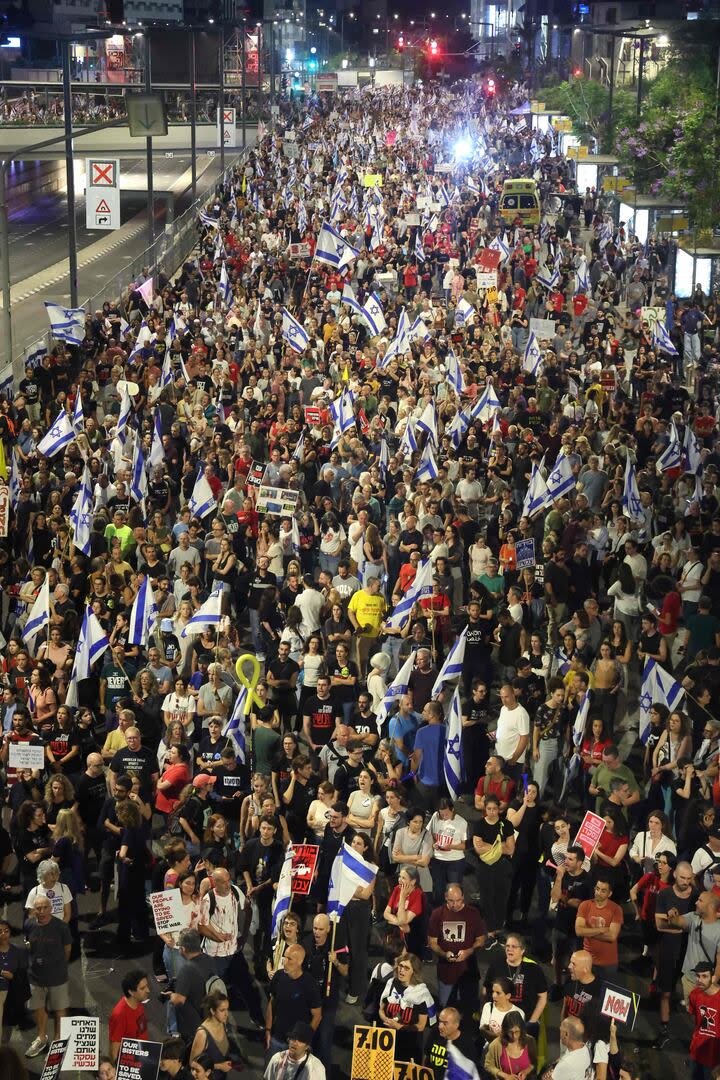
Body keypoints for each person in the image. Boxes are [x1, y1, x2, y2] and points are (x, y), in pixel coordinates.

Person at [23, 895, 72, 1058]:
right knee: (38, 1007)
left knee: (59, 1009)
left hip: (57, 976)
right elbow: (29, 944)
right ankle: (42, 1037)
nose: (42, 911)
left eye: (45, 908)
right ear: (33, 910)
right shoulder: (29, 924)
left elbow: (67, 949)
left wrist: (59, 965)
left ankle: (58, 1040)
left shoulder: (61, 927)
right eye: (38, 908)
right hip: (35, 977)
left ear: (51, 909)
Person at [427, 884, 485, 1012]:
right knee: (446, 1008)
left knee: (469, 1009)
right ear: (445, 897)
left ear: (463, 897)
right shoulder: (437, 914)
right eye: (451, 901)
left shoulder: (473, 913)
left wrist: (469, 951)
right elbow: (432, 942)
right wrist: (443, 953)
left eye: (458, 900)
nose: (455, 904)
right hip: (446, 972)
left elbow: (481, 940)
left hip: (469, 971)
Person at [265, 944, 322, 1058]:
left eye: (289, 958)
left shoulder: (309, 984)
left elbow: (317, 1016)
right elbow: (271, 1003)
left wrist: (304, 1041)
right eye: (284, 957)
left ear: (300, 962)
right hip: (277, 1038)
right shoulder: (279, 976)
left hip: (296, 1044)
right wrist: (268, 1030)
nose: (284, 961)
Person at [378, 952, 432, 1063]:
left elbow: (421, 1026)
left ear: (414, 972)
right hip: (389, 1041)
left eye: (406, 968)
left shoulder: (421, 993)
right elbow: (381, 1009)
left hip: (410, 1045)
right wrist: (386, 1020)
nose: (401, 970)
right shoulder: (391, 984)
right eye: (400, 966)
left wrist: (399, 1026)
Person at [575, 876, 623, 980]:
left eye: (603, 890)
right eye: (597, 889)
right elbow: (578, 931)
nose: (598, 893)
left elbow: (611, 936)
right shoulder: (585, 905)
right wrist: (601, 930)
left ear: (609, 894)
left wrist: (587, 931)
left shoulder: (616, 909)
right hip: (587, 960)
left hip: (608, 963)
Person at [423, 1007, 476, 1080]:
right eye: (440, 1022)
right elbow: (427, 1055)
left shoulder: (466, 1043)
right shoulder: (435, 1033)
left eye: (445, 1023)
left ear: (456, 1025)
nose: (440, 1026)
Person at [688, 961, 720, 1080]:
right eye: (697, 975)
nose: (700, 980)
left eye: (704, 976)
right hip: (696, 1052)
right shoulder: (694, 995)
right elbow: (695, 1020)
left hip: (714, 1058)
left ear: (713, 977)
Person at [108, 970, 150, 1061]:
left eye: (147, 986)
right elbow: (113, 1052)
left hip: (141, 1055)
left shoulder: (138, 1003)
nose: (148, 990)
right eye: (142, 988)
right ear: (131, 992)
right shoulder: (120, 1015)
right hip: (131, 1064)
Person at [484, 1012, 538, 1080]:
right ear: (505, 1030)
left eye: (517, 1032)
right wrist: (505, 1076)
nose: (514, 1036)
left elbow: (534, 1063)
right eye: (510, 1032)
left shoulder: (530, 1041)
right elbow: (488, 1065)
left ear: (522, 1029)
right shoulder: (496, 1045)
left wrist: (526, 1071)